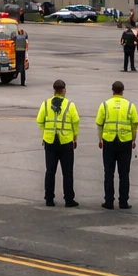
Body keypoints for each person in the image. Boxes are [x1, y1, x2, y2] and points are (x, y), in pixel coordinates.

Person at [36, 78, 80, 207]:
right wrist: (75, 137)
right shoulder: (69, 105)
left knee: (50, 171)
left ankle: (49, 198)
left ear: (54, 90)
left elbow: (40, 120)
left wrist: (45, 133)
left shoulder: (45, 104)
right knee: (67, 172)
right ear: (64, 90)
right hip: (66, 141)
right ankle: (69, 199)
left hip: (50, 141)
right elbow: (75, 121)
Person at [96, 80, 138, 210]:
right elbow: (135, 124)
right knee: (124, 173)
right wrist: (133, 139)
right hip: (125, 142)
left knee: (108, 173)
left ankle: (109, 201)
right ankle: (123, 202)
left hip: (109, 141)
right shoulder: (130, 106)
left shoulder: (105, 105)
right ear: (122, 91)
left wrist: (100, 139)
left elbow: (99, 123)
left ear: (112, 91)